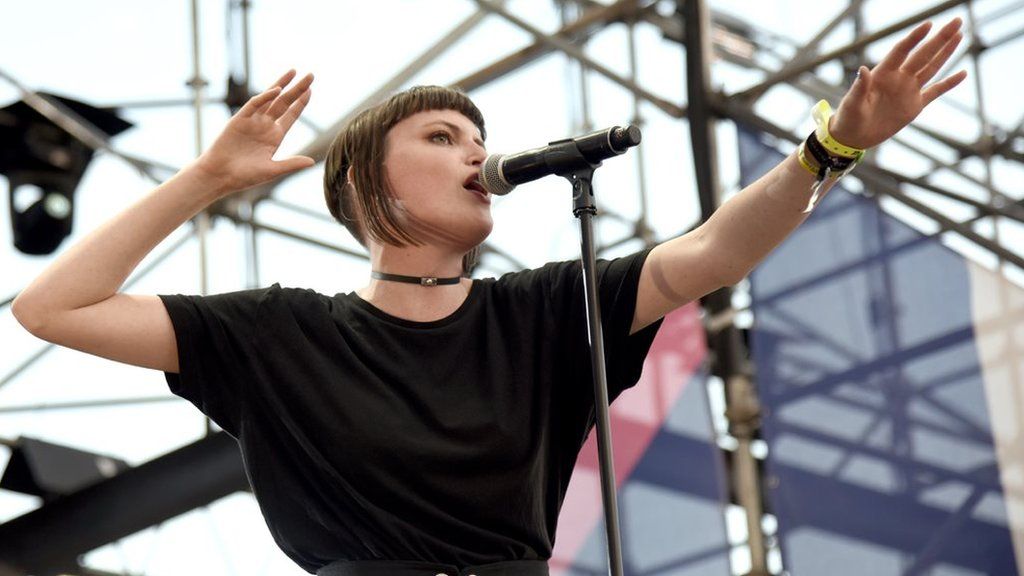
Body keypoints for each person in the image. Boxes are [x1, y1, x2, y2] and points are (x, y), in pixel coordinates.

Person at [11, 18, 966, 576]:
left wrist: (830, 147)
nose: (476, 150)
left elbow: (713, 251)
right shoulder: (278, 331)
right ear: (366, 189)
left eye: (480, 135)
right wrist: (205, 183)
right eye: (439, 137)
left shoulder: (542, 310)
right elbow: (54, 309)